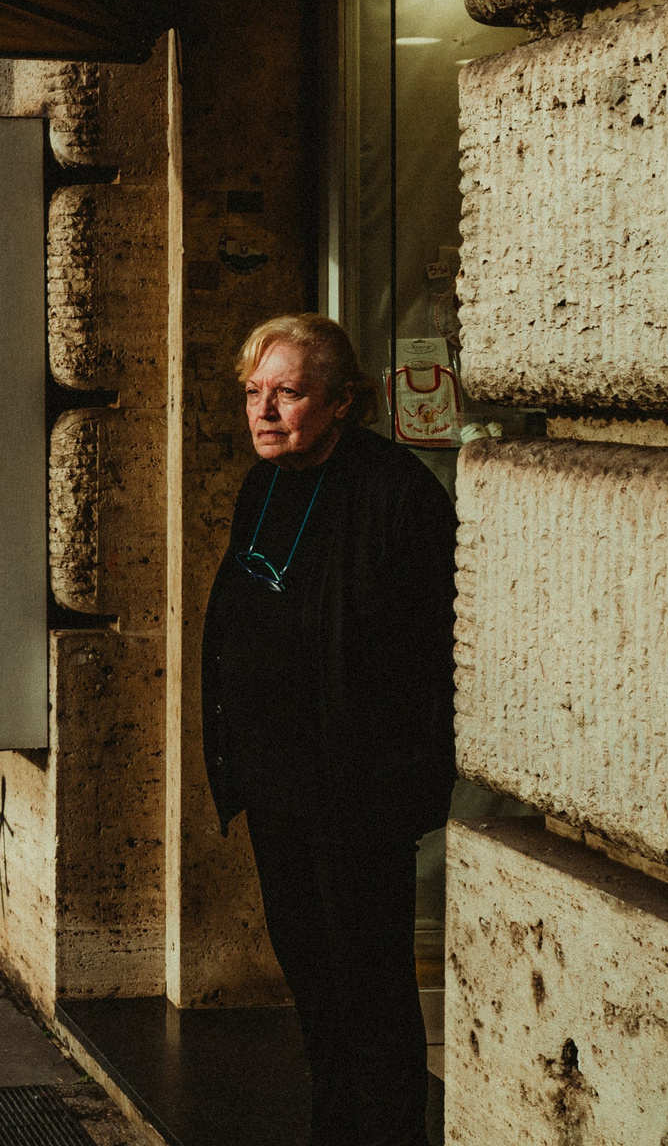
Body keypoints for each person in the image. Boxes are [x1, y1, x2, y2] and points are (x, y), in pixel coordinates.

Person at [199, 314, 454, 1146]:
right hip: (277, 789)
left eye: (289, 392)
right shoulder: (261, 486)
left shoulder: (399, 496)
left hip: (357, 799)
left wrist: (406, 784)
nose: (264, 411)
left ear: (346, 402)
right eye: (254, 392)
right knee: (313, 984)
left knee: (370, 993)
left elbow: (433, 659)